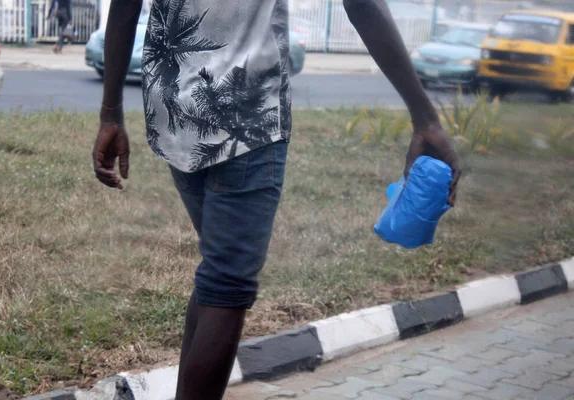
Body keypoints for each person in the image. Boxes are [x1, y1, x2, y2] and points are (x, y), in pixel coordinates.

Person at [92, 0, 461, 399]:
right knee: (227, 281)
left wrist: (111, 113)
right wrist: (426, 118)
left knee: (219, 269)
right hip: (249, 117)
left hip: (175, 110)